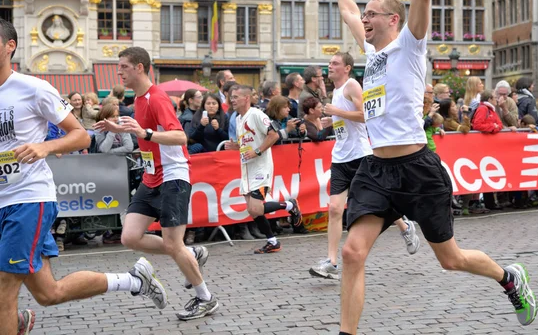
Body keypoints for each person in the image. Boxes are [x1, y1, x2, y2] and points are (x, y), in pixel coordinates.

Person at [328, 0, 537, 333]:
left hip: (417, 169)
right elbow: (348, 11)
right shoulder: (371, 57)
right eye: (366, 14)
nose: (365, 19)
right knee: (354, 253)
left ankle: (508, 278)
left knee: (451, 259)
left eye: (374, 14)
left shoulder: (409, 45)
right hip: (376, 169)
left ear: (394, 20)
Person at [0, 19, 167, 335]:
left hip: (28, 199)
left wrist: (43, 147)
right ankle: (133, 280)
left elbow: (81, 135)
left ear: (10, 46)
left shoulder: (32, 88)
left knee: (3, 293)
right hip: (2, 201)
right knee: (49, 293)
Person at [93, 47, 218, 320]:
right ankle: (190, 253)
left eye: (124, 66)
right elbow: (146, 136)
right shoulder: (139, 99)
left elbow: (179, 137)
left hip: (173, 175)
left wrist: (143, 132)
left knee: (173, 244)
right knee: (130, 236)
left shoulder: (157, 98)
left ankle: (205, 298)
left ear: (139, 67)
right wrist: (122, 129)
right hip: (152, 177)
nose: (119, 71)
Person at [309, 52, 420, 280]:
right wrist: (334, 121)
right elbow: (346, 119)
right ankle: (331, 261)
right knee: (335, 208)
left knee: (378, 203)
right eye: (329, 63)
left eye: (335, 63)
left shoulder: (352, 86)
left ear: (347, 68)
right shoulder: (337, 90)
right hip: (340, 156)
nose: (330, 66)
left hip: (360, 155)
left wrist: (337, 112)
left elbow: (366, 115)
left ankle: (405, 227)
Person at [230, 84, 303, 253]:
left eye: (235, 97)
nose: (232, 100)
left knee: (255, 208)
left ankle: (290, 206)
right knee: (252, 210)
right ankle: (273, 241)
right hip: (247, 169)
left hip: (261, 168)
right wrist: (236, 146)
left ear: (246, 98)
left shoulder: (256, 114)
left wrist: (257, 151)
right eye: (231, 97)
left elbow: (274, 134)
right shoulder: (238, 118)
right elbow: (247, 142)